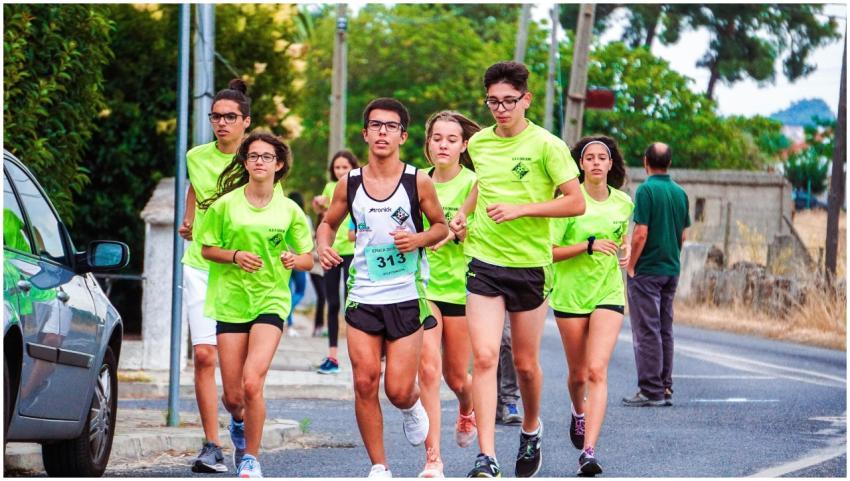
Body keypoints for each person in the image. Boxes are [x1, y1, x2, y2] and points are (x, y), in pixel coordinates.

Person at [449, 61, 585, 478]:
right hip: (485, 261)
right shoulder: (480, 145)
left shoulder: (548, 145)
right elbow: (481, 183)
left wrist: (523, 208)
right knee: (486, 357)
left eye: (509, 101)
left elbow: (575, 201)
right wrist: (462, 214)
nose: (501, 109)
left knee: (525, 364)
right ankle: (486, 457)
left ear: (526, 99)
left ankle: (530, 428)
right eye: (493, 101)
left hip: (530, 265)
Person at [317, 97, 449, 478]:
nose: (382, 132)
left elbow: (440, 226)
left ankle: (410, 407)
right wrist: (324, 246)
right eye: (375, 125)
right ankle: (379, 465)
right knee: (363, 381)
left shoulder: (416, 180)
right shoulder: (350, 182)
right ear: (365, 133)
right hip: (363, 296)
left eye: (390, 126)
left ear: (403, 136)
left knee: (397, 389)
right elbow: (328, 223)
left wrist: (417, 240)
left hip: (406, 295)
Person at [198, 132, 314, 478]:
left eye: (267, 157)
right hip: (231, 302)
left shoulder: (289, 210)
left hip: (271, 301)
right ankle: (237, 422)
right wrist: (234, 256)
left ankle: (251, 458)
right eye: (253, 156)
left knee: (252, 383)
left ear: (279, 165)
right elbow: (207, 248)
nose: (259, 161)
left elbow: (309, 258)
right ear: (244, 162)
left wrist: (295, 259)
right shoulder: (225, 205)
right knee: (234, 397)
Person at [178, 78, 251, 474]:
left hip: (241, 272)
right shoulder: (196, 155)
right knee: (204, 355)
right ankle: (211, 445)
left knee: (236, 386)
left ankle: (238, 422)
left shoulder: (258, 159)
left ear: (245, 121)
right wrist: (190, 217)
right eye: (216, 117)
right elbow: (194, 187)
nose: (221, 123)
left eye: (229, 117)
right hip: (200, 264)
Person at [551, 136, 633, 477]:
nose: (597, 162)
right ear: (580, 165)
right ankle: (577, 409)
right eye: (590, 158)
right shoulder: (568, 201)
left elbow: (622, 237)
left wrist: (624, 250)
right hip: (570, 295)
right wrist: (587, 246)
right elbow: (549, 251)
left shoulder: (624, 202)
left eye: (603, 157)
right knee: (578, 374)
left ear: (611, 164)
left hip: (608, 293)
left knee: (597, 370)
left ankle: (589, 451)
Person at [416, 111, 480, 478]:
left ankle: (466, 407)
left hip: (462, 288)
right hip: (424, 287)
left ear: (464, 145)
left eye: (451, 139)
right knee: (428, 369)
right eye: (437, 138)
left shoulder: (476, 184)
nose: (443, 144)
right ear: (428, 144)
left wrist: (457, 233)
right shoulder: (417, 183)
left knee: (457, 378)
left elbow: (484, 232)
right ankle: (433, 458)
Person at [623, 142, 690, 408]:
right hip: (670, 269)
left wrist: (631, 265)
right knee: (664, 329)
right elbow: (683, 235)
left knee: (646, 330)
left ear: (645, 161)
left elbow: (640, 233)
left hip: (647, 270)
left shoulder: (646, 190)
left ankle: (650, 389)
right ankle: (665, 386)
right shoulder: (680, 192)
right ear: (669, 163)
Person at [313, 150, 359, 374]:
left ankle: (359, 355)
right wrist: (318, 204)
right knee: (333, 303)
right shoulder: (330, 188)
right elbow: (324, 215)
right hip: (332, 250)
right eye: (337, 167)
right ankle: (332, 356)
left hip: (352, 251)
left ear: (353, 167)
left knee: (354, 303)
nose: (340, 171)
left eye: (345, 167)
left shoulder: (360, 184)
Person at [286, 191, 309, 337]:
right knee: (300, 291)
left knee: (287, 292)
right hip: (300, 259)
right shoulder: (305, 218)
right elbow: (309, 241)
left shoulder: (284, 215)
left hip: (285, 258)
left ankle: (287, 320)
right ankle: (287, 313)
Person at [309, 212, 327, 337]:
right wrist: (321, 255)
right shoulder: (314, 236)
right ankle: (317, 327)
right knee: (322, 297)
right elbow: (309, 252)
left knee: (325, 299)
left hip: (326, 271)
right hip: (316, 270)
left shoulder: (331, 236)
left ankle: (320, 326)